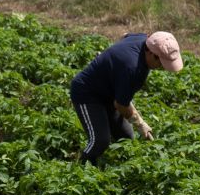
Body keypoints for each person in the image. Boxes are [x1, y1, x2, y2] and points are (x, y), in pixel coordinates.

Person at [71, 31, 184, 164]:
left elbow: (125, 35)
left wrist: (112, 62)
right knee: (100, 141)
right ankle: (80, 167)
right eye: (161, 63)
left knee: (126, 138)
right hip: (88, 93)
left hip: (109, 93)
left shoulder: (142, 38)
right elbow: (121, 105)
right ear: (151, 53)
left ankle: (117, 166)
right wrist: (140, 124)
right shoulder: (133, 69)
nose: (161, 68)